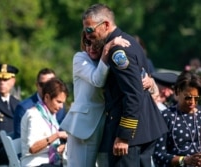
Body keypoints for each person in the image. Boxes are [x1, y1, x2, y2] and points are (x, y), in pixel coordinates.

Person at [82, 4, 168, 167]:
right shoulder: (130, 41)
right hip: (144, 128)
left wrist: (124, 135)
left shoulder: (117, 51)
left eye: (90, 30)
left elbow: (133, 93)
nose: (88, 36)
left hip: (131, 136)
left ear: (105, 25)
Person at [60, 31, 131, 167]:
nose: (91, 47)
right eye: (87, 42)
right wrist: (107, 48)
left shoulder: (109, 58)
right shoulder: (80, 58)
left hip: (108, 124)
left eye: (97, 44)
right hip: (84, 125)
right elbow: (97, 80)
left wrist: (149, 80)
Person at [153, 70, 201, 167]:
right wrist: (184, 160)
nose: (192, 102)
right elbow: (158, 155)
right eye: (188, 97)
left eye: (196, 98)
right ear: (178, 91)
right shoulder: (166, 116)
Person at [21, 77, 68, 167]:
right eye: (58, 102)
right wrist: (57, 135)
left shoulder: (50, 116)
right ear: (47, 97)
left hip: (50, 163)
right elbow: (33, 148)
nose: (61, 106)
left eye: (63, 103)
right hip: (35, 163)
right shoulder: (33, 115)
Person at [13, 68, 67, 139]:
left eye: (50, 85)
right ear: (37, 85)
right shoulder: (24, 108)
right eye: (42, 84)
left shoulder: (60, 107)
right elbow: (20, 140)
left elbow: (63, 133)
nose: (46, 88)